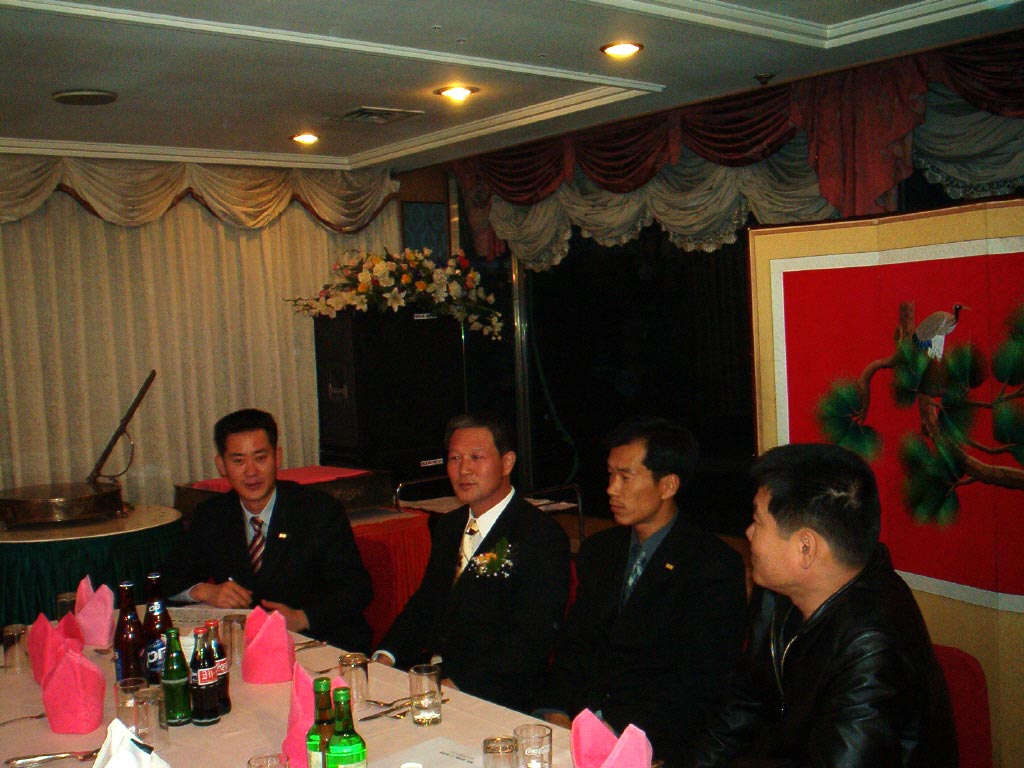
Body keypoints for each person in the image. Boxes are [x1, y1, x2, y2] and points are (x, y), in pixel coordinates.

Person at [684, 443, 957, 768]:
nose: (748, 532)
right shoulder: (778, 588)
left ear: (805, 548)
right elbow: (744, 701)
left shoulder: (873, 646)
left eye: (758, 521)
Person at [539, 417, 748, 768]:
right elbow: (575, 644)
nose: (611, 489)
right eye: (610, 475)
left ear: (667, 485)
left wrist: (626, 733)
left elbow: (700, 679)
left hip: (655, 741)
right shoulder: (601, 550)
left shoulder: (711, 565)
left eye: (625, 477)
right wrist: (555, 708)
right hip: (582, 725)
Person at [373, 413, 570, 713]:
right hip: (438, 676)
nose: (463, 470)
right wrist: (386, 656)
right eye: (455, 458)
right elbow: (427, 602)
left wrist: (460, 684)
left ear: (507, 463)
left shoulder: (539, 534)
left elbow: (531, 638)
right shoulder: (449, 525)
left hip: (498, 691)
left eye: (476, 458)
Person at [162, 408, 373, 652]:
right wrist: (205, 591)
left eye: (260, 458)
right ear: (221, 465)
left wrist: (302, 617)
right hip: (245, 648)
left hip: (319, 641)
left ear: (277, 457)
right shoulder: (213, 515)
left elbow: (357, 588)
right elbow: (167, 577)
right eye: (238, 461)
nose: (251, 472)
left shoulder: (319, 511)